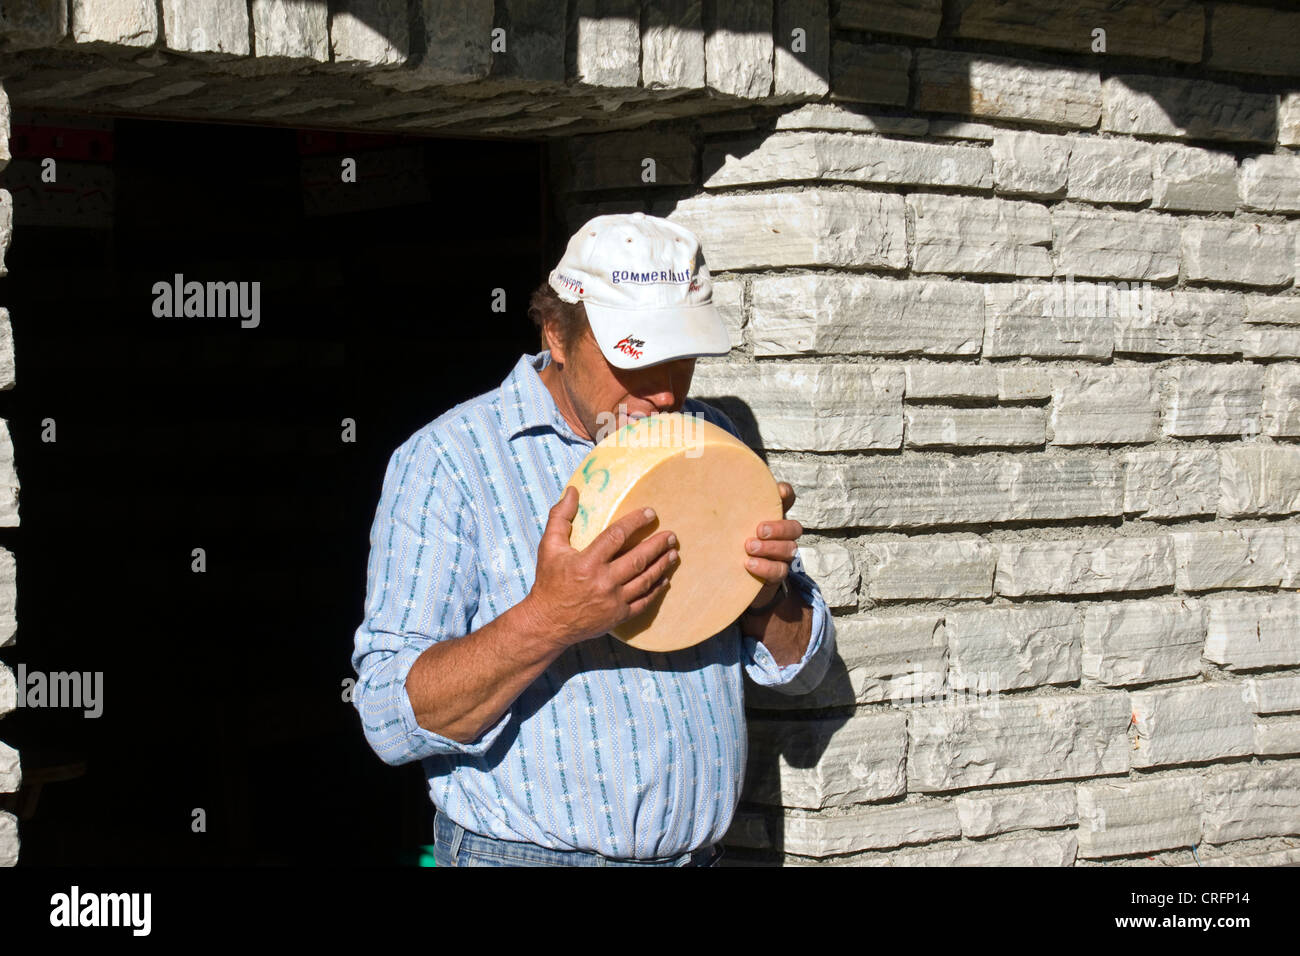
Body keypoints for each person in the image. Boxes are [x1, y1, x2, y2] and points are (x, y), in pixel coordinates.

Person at [350, 212, 836, 866]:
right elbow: (386, 718)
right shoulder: (450, 462)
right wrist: (550, 618)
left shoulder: (711, 439)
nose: (665, 393)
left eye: (682, 359)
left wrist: (763, 598)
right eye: (636, 358)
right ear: (556, 331)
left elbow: (803, 668)